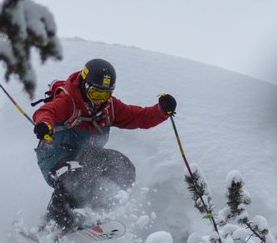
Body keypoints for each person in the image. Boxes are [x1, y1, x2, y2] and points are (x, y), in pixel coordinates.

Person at [32, 58, 176, 232]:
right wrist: (44, 124)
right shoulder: (68, 100)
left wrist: (161, 111)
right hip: (55, 154)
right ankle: (52, 228)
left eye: (105, 95)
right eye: (95, 94)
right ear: (84, 85)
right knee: (74, 176)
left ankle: (95, 214)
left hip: (85, 155)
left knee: (122, 166)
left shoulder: (110, 108)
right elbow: (46, 111)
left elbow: (138, 116)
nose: (99, 100)